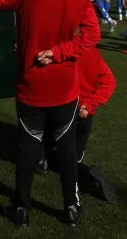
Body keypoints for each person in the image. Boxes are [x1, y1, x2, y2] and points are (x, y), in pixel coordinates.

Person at [0, 0, 101, 228]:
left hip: (31, 85)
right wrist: (61, 52)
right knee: (67, 149)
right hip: (64, 87)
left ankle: (21, 208)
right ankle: (71, 207)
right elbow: (92, 35)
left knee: (28, 147)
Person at [36, 46, 118, 204]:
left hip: (65, 112)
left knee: (61, 158)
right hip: (85, 117)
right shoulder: (92, 53)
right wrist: (89, 104)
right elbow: (110, 81)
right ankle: (90, 179)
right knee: (74, 157)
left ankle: (45, 161)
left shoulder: (58, 51)